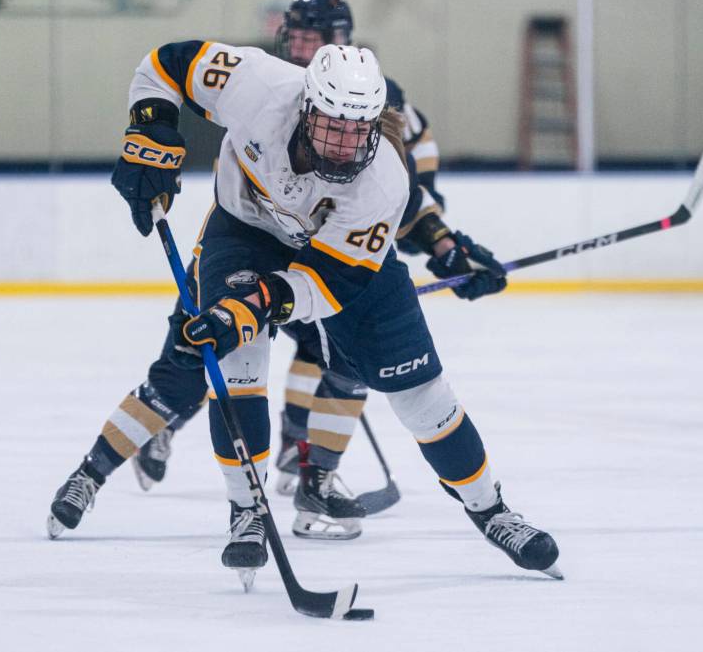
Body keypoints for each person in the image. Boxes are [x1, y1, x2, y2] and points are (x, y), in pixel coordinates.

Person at [66, 37, 562, 584]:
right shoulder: (258, 85)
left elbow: (326, 284)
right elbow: (164, 65)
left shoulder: (383, 182)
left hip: (333, 262)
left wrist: (251, 307)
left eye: (360, 129)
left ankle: (491, 511)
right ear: (307, 106)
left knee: (422, 392)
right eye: (333, 125)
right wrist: (150, 137)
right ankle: (247, 511)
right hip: (245, 231)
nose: (348, 143)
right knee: (236, 368)